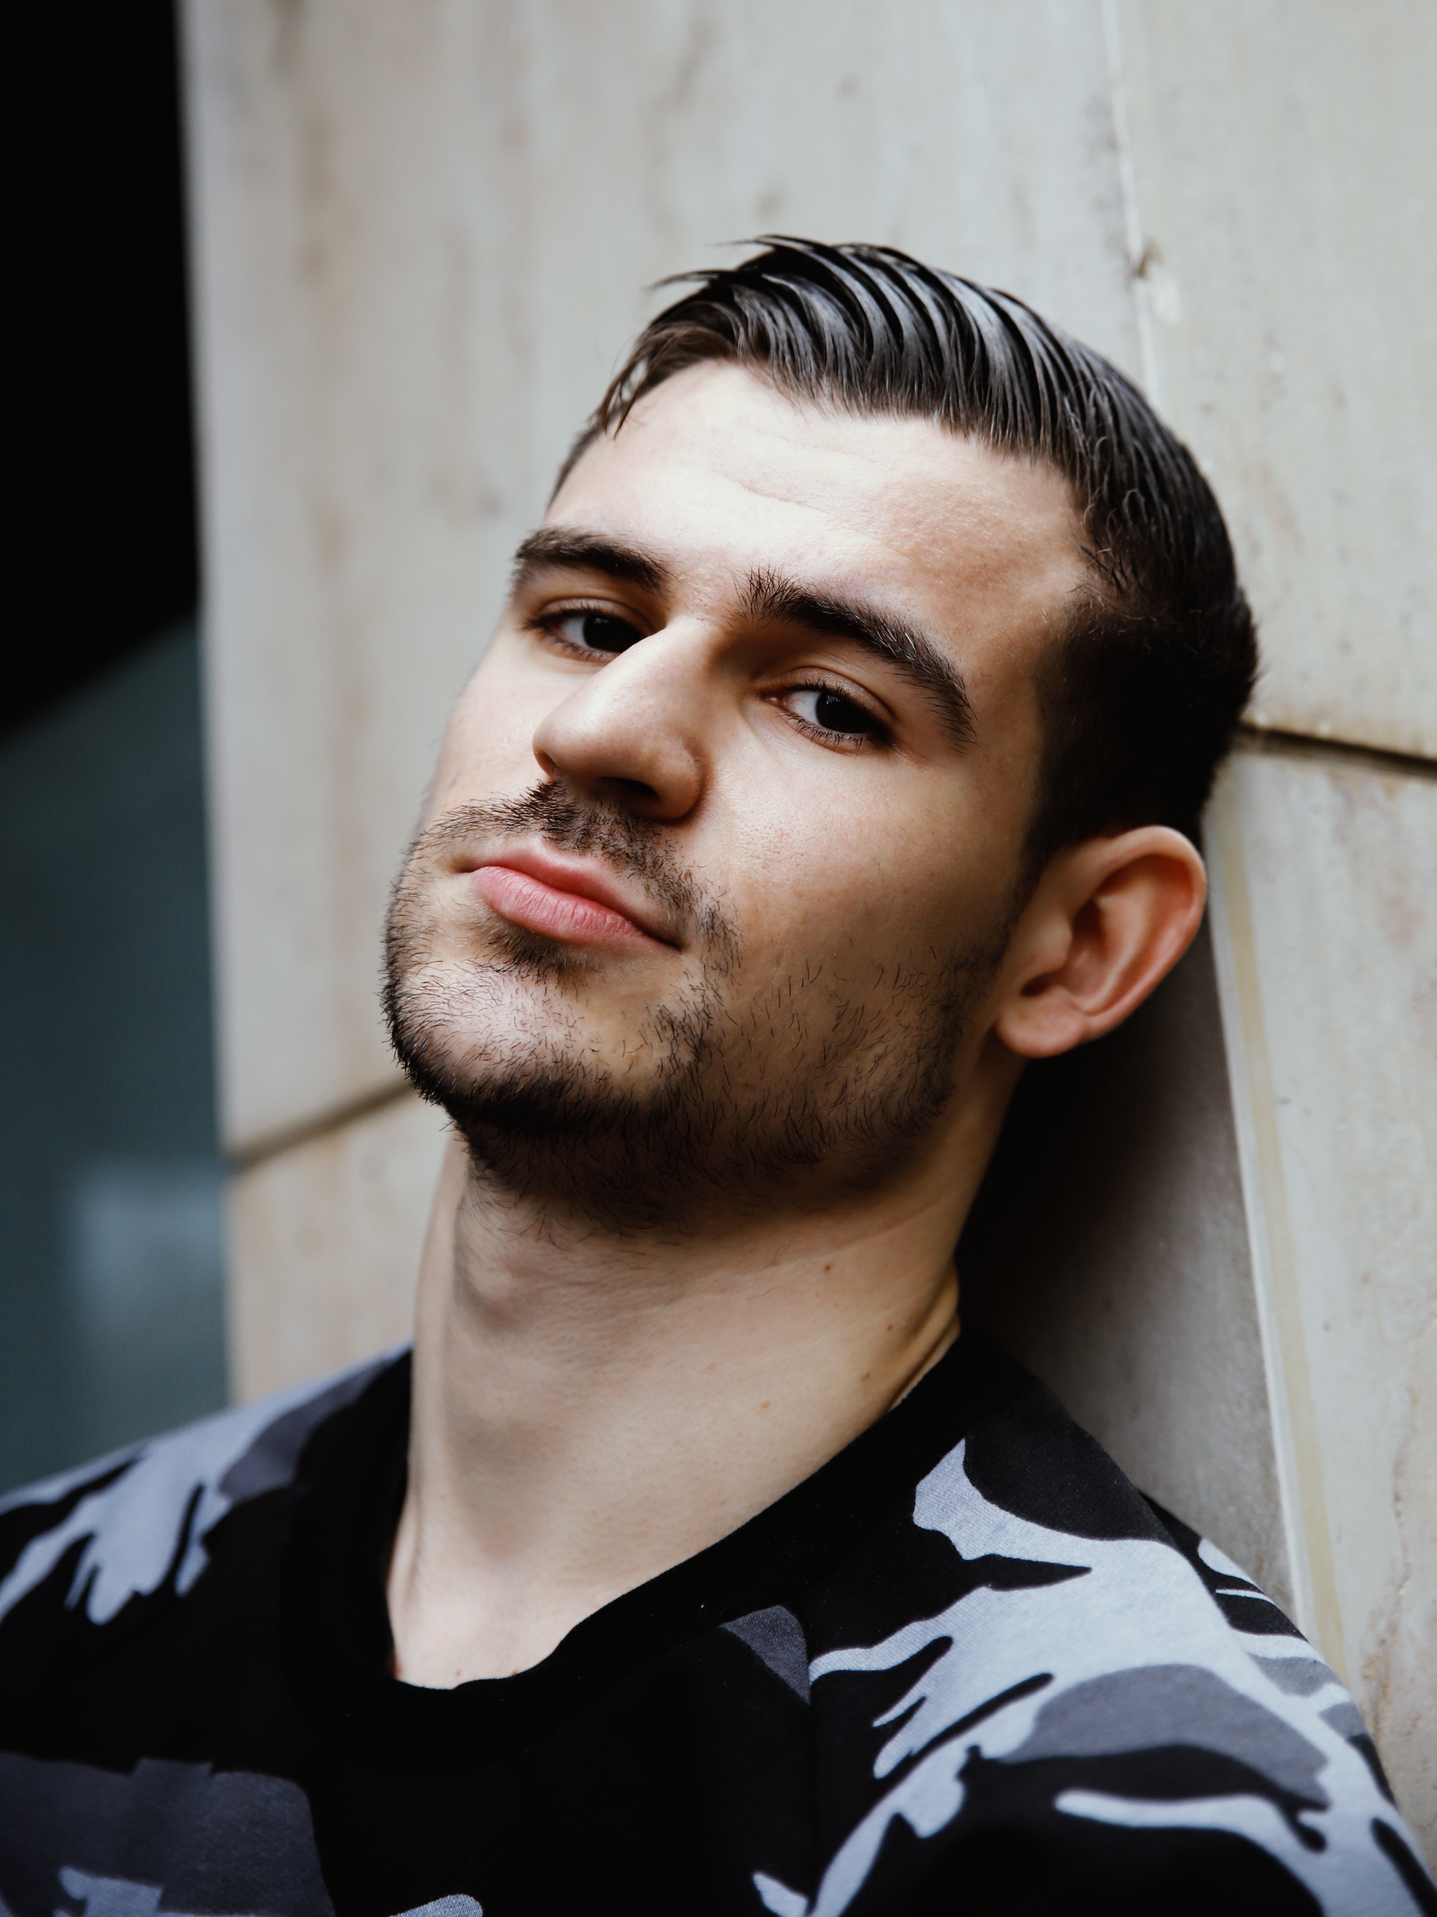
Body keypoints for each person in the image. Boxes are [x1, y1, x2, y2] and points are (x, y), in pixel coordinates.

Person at [1, 243, 1428, 1917]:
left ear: (1076, 948)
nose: (606, 731)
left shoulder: (1127, 1828)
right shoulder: (35, 1617)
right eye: (587, 620)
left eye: (828, 704)